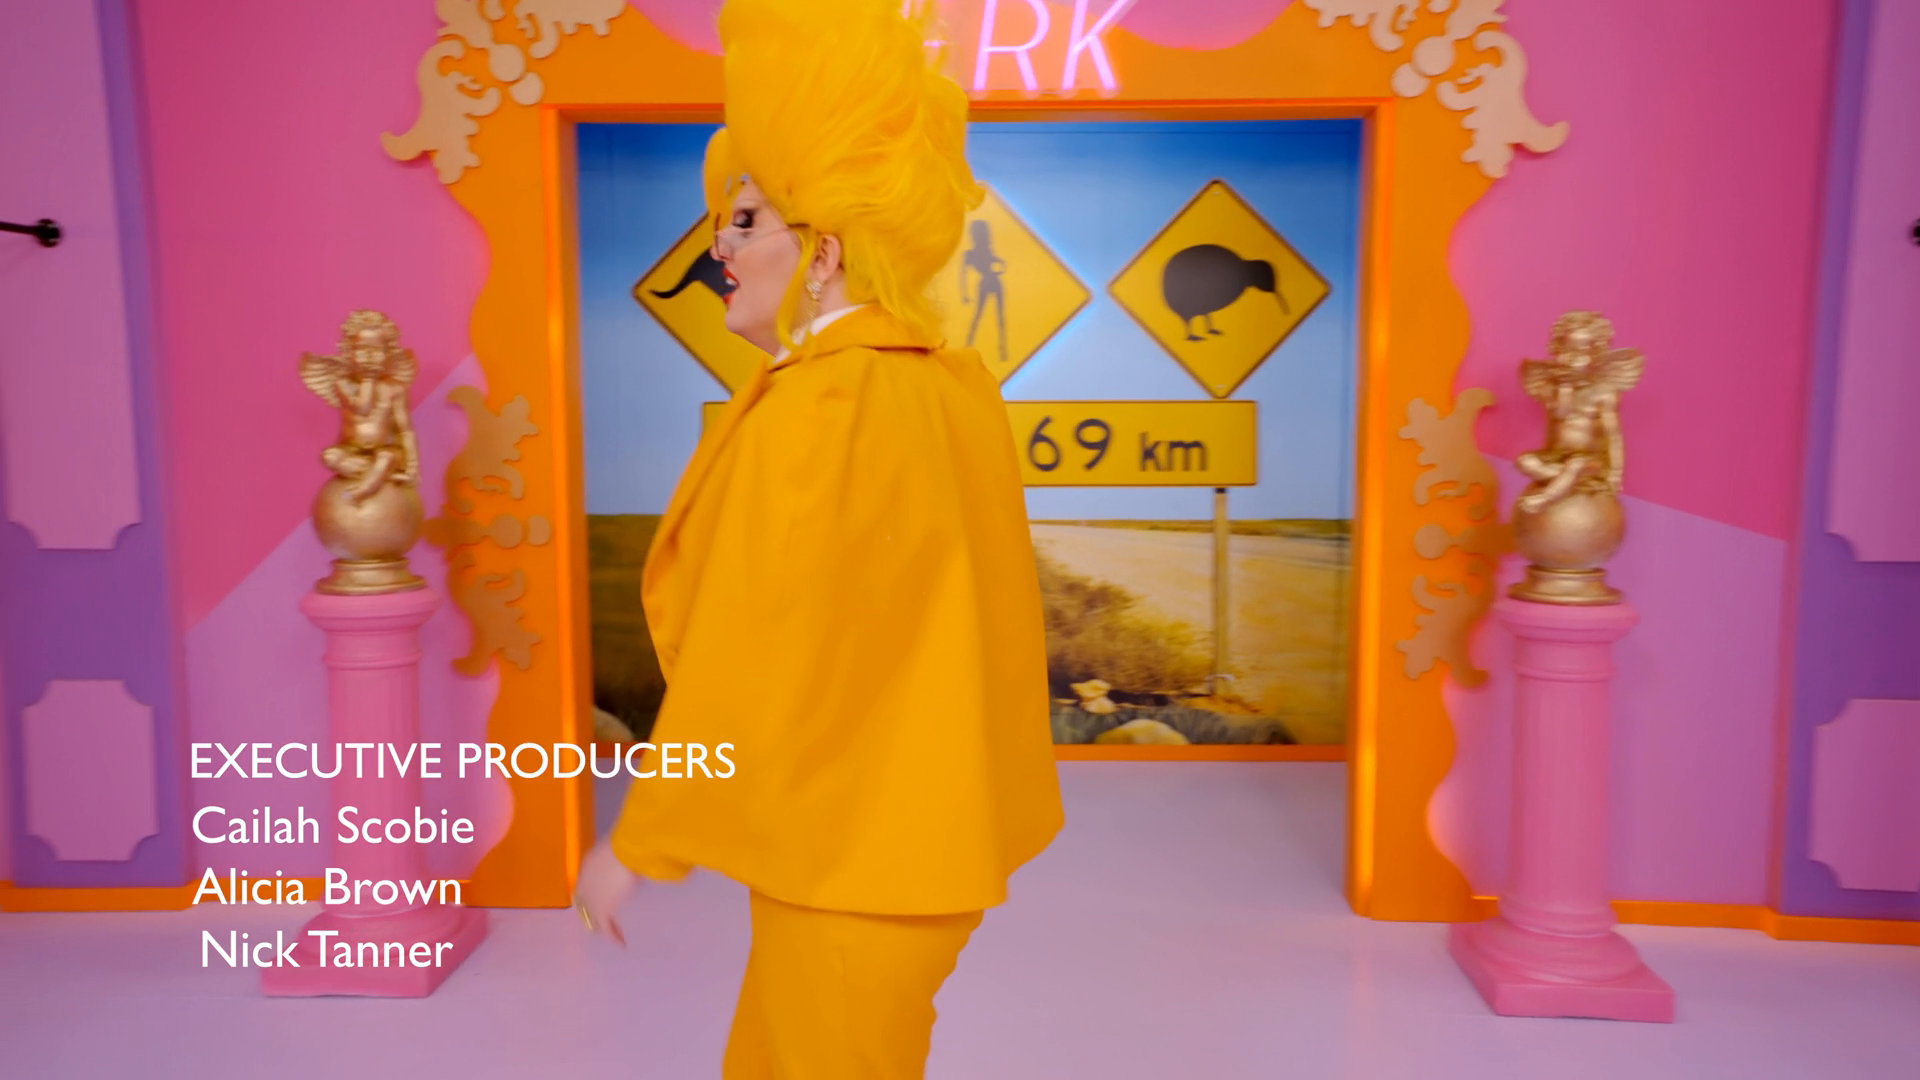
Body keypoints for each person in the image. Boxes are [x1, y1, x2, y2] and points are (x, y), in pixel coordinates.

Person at [571, 1, 1065, 1076]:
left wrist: (641, 840)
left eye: (746, 220)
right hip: (920, 846)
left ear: (827, 250)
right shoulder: (951, 388)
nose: (719, 247)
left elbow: (759, 638)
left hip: (850, 857)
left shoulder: (819, 404)